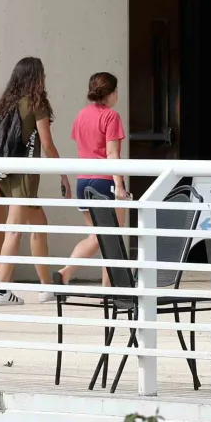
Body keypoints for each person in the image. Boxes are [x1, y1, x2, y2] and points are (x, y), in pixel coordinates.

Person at [0, 56, 70, 306]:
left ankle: (47, 288)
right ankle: (1, 290)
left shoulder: (6, 103)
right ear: (36, 77)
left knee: (39, 225)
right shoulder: (37, 103)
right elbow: (47, 144)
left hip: (5, 175)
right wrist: (63, 172)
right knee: (15, 229)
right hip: (23, 177)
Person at [57, 72, 129, 286]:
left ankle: (68, 275)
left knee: (97, 236)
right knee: (110, 237)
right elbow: (112, 154)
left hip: (83, 182)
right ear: (113, 92)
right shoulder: (111, 116)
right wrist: (119, 185)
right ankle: (105, 289)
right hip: (104, 181)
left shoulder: (81, 115)